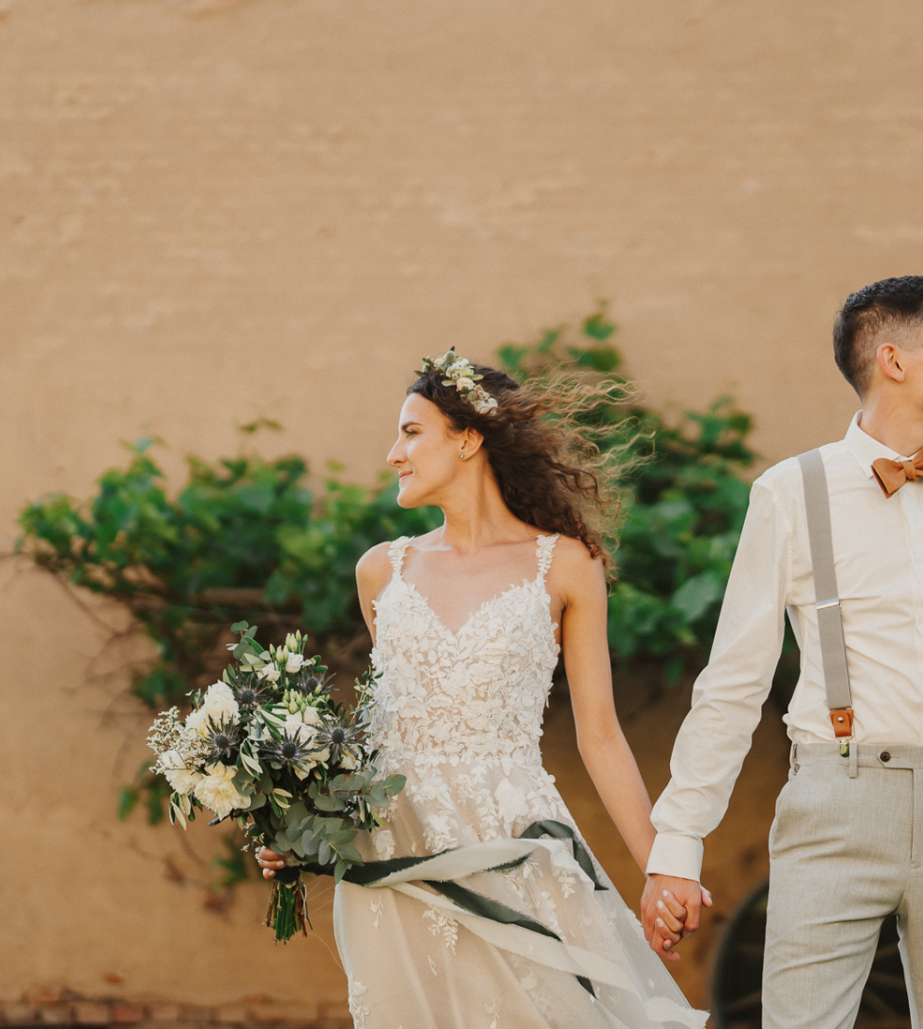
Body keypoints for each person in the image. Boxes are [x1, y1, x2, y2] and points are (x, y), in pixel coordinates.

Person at [643, 276, 923, 1029]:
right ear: (893, 359)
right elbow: (735, 681)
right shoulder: (789, 493)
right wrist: (678, 842)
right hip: (836, 803)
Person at [257, 350, 703, 1029]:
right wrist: (303, 827)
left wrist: (662, 867)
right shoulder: (381, 571)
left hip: (513, 844)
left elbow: (600, 734)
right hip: (396, 854)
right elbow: (386, 728)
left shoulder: (566, 565)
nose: (392, 454)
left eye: (411, 432)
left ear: (468, 438)